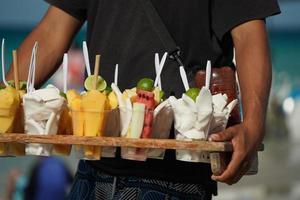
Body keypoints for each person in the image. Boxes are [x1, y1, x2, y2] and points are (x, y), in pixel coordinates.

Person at [3, 0, 280, 199]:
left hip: (174, 177)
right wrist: (7, 97)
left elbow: (248, 33)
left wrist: (254, 125)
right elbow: (52, 29)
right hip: (93, 168)